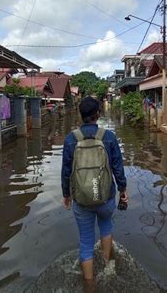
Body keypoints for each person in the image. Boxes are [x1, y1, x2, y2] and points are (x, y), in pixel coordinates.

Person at [61, 96, 128, 285]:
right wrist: (123, 190)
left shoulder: (70, 139)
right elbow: (117, 169)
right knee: (106, 228)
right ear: (98, 114)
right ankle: (108, 270)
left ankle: (89, 286)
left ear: (80, 115)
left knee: (86, 242)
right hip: (105, 197)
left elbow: (66, 171)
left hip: (82, 200)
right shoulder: (108, 137)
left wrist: (66, 194)